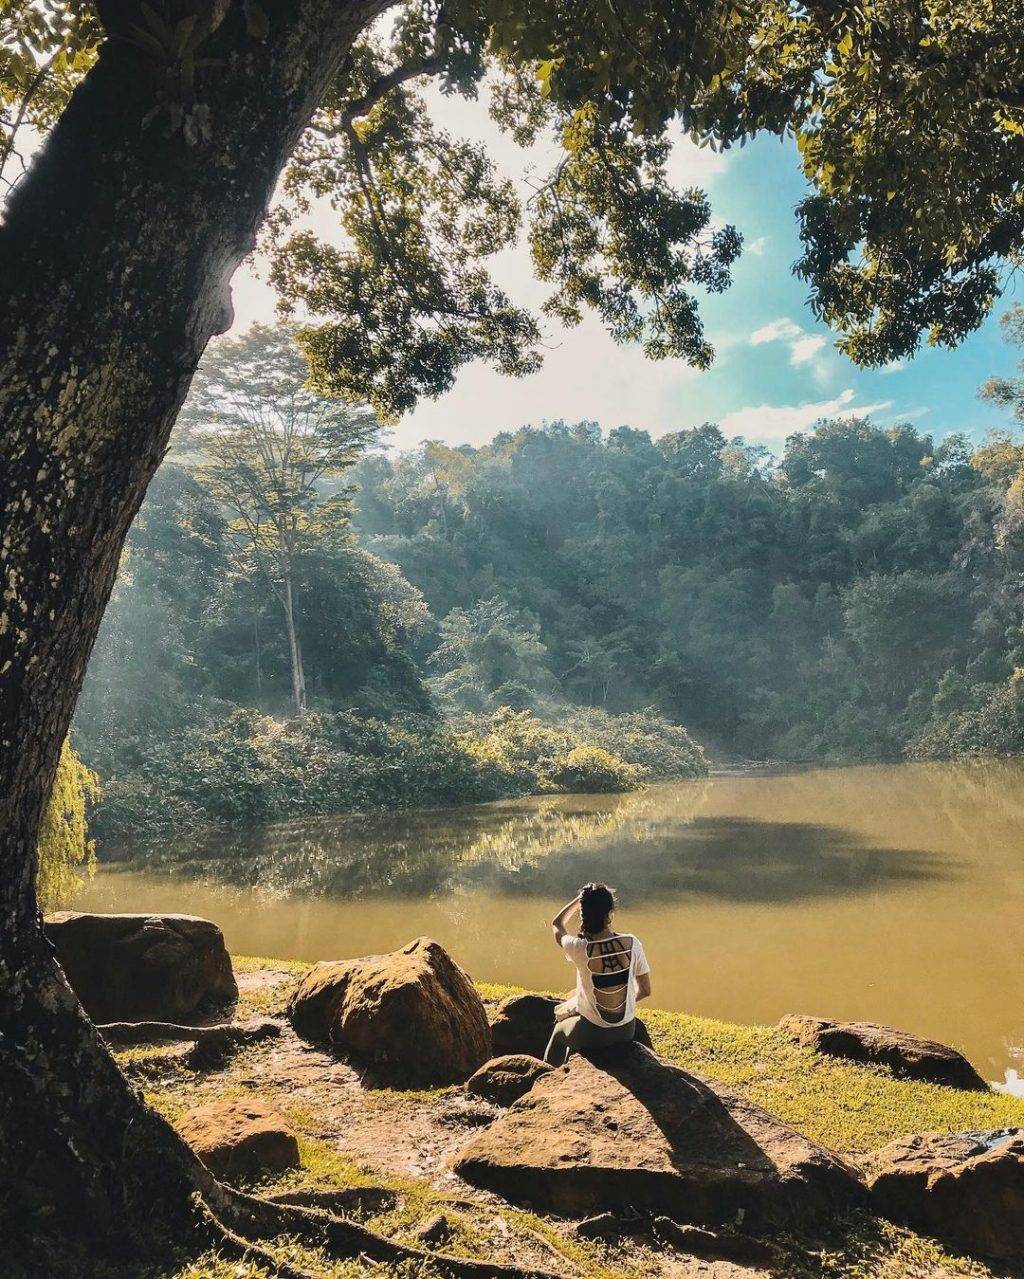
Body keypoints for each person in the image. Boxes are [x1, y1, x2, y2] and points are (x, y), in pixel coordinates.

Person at [544, 881, 651, 1066]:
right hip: (626, 1030)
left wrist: (579, 901)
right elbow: (646, 990)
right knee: (574, 1003)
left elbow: (557, 924)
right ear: (610, 915)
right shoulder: (632, 943)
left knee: (559, 1032)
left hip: (593, 1032)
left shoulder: (579, 947)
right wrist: (619, 1005)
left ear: (583, 915)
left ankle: (547, 1079)